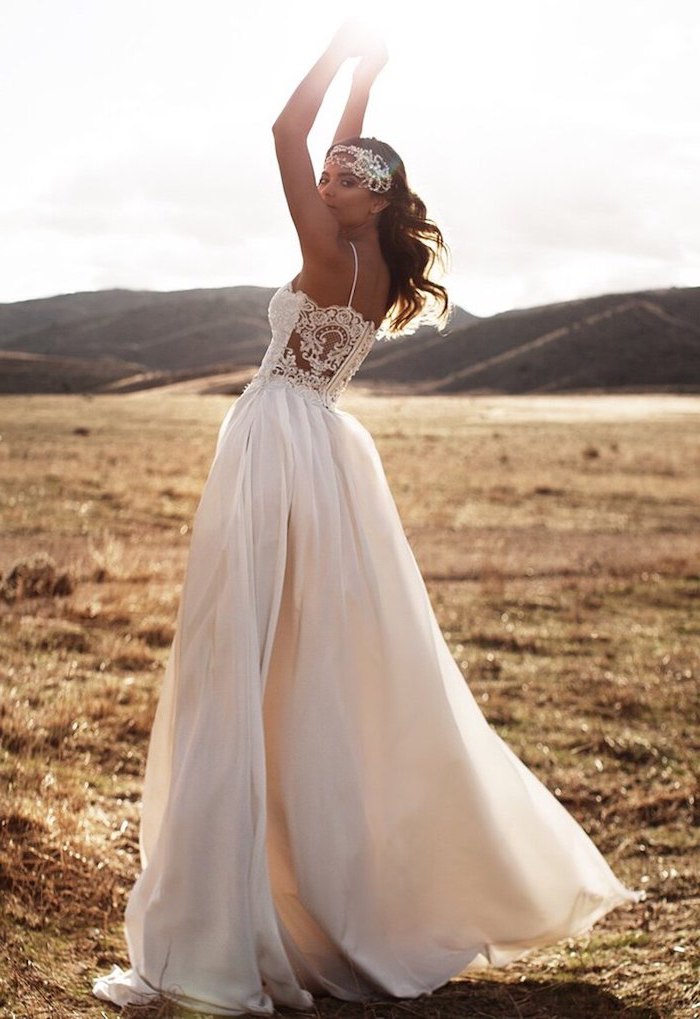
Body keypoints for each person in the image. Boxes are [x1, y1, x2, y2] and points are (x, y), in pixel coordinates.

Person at [93, 20, 639, 1017]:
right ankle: (298, 884)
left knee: (241, 661)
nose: (330, 178)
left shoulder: (325, 247)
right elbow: (339, 148)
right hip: (322, 453)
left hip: (272, 450)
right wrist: (365, 81)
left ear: (372, 198)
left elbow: (280, 131)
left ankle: (235, 914)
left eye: (346, 175)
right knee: (299, 663)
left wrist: (336, 55)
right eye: (332, 173)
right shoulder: (371, 265)